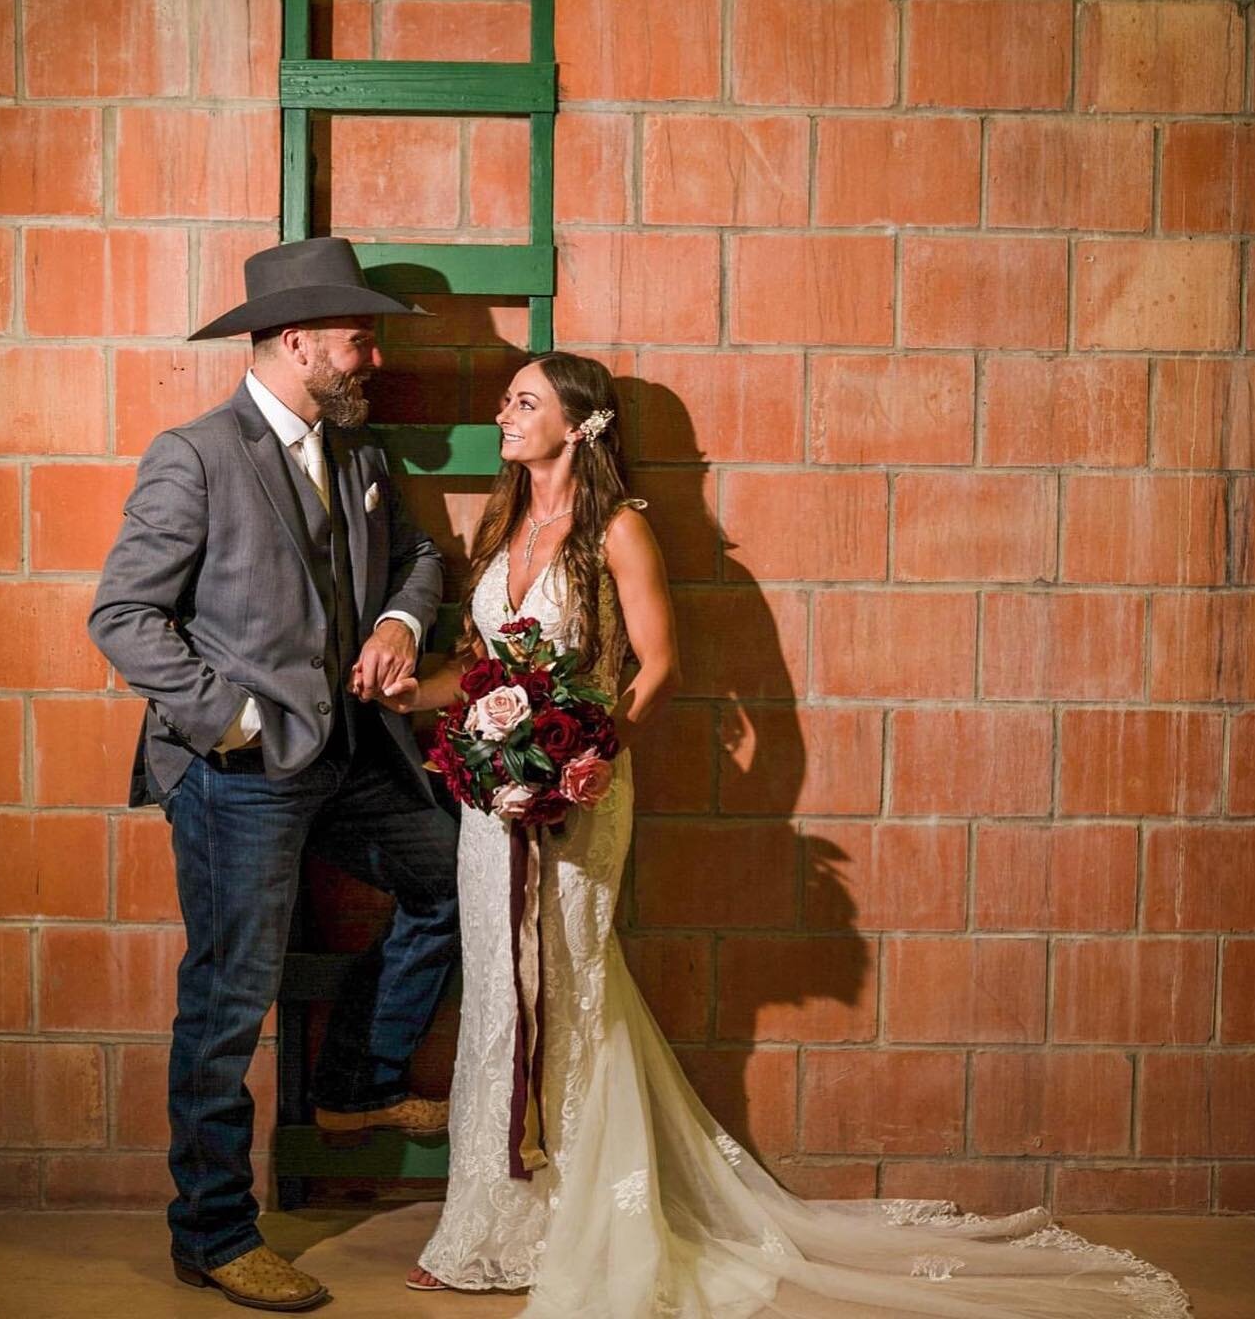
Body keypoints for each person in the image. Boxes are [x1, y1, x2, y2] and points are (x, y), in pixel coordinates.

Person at [309, 350, 1192, 1319]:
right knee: (498, 992)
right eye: (507, 400)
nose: (503, 414)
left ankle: (576, 1222)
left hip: (579, 792)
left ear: (579, 425)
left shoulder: (619, 529)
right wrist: (412, 694)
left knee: (567, 984)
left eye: (525, 402)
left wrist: (588, 755)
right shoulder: (501, 519)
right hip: (491, 805)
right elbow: (476, 668)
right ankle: (484, 1227)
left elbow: (659, 666)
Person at [89, 237, 459, 1314]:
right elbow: (123, 616)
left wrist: (398, 622)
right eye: (358, 339)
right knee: (228, 1000)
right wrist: (236, 719)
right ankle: (213, 1234)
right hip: (238, 777)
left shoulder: (362, 454)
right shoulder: (196, 455)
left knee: (455, 879)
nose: (374, 358)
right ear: (296, 343)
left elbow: (418, 558)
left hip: (347, 757)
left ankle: (354, 1085)